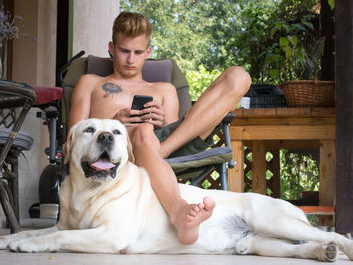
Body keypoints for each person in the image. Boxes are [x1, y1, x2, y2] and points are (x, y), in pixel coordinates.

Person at [69, 12, 251, 245]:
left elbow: (176, 129)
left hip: (168, 146)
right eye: (124, 51)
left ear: (148, 52)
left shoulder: (165, 89)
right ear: (112, 48)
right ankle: (178, 212)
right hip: (118, 153)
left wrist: (162, 120)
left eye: (138, 52)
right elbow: (74, 135)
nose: (130, 60)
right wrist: (115, 123)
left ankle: (160, 151)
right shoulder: (91, 83)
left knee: (238, 76)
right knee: (144, 130)